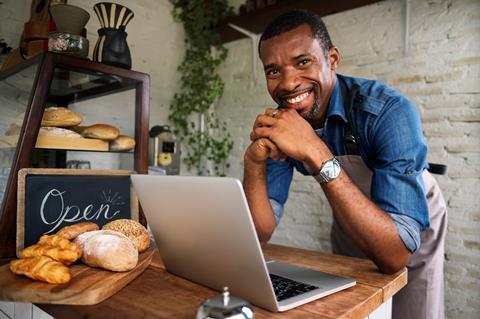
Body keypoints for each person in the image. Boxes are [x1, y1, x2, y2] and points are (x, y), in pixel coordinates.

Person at [243, 10, 447, 319]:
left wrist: (315, 151)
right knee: (356, 307)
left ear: (332, 59)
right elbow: (260, 230)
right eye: (273, 70)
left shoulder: (387, 112)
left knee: (413, 311)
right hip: (350, 216)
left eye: (302, 62)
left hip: (413, 225)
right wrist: (254, 163)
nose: (287, 83)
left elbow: (395, 254)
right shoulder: (283, 123)